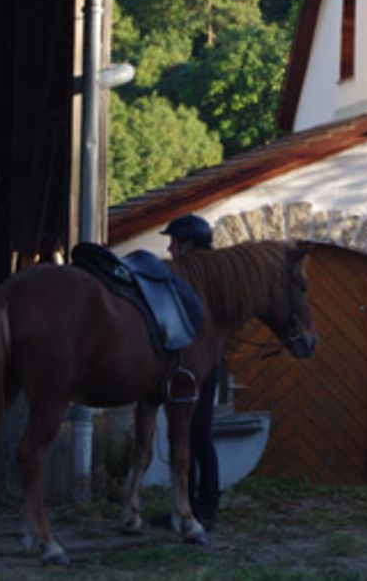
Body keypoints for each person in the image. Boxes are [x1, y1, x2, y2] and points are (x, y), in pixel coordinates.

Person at [161, 213, 220, 531]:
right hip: (189, 358)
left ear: (189, 244)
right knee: (188, 434)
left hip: (205, 360)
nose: (170, 249)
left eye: (174, 242)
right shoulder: (193, 271)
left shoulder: (205, 274)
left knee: (199, 433)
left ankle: (207, 506)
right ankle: (189, 505)